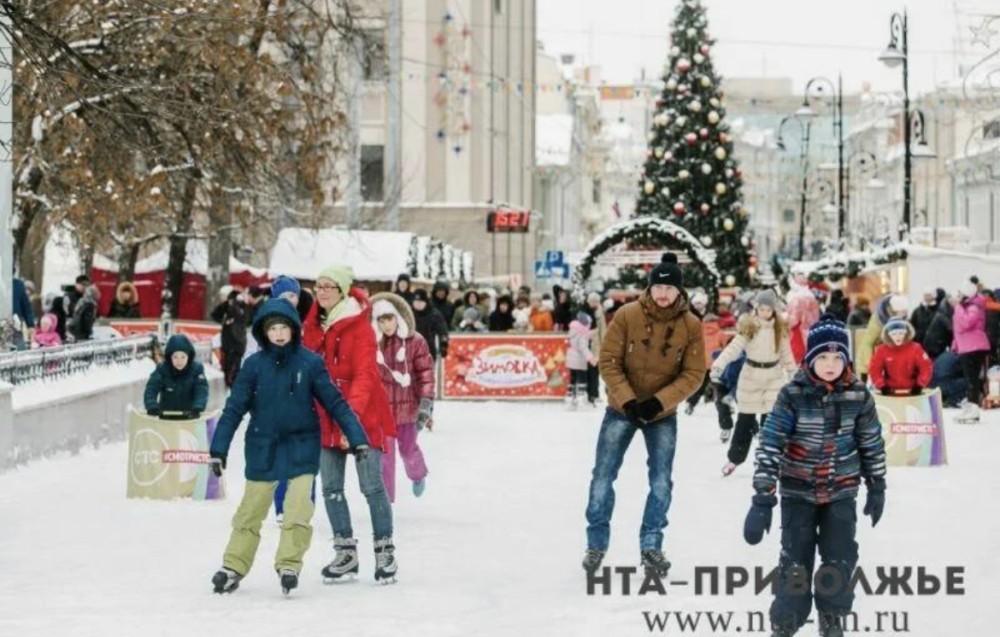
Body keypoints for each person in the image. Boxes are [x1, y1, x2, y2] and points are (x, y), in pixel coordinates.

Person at [207, 299, 370, 595]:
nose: (279, 334)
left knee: (297, 510)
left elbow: (335, 403)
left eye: (284, 328)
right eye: (273, 329)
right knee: (250, 512)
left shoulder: (309, 363)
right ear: (264, 332)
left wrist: (357, 438)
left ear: (294, 330)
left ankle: (289, 564)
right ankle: (233, 566)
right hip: (262, 445)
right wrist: (218, 449)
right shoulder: (254, 366)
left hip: (301, 445)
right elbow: (233, 409)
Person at [744, 314, 886, 637]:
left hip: (841, 492)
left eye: (838, 356)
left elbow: (871, 443)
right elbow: (771, 443)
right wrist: (762, 498)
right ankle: (785, 625)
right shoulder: (792, 395)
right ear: (810, 358)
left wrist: (877, 485)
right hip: (798, 493)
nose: (831, 364)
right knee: (795, 566)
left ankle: (832, 621)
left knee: (839, 561)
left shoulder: (859, 396)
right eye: (822, 356)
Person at [583, 253, 706, 578]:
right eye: (658, 286)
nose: (663, 294)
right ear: (649, 288)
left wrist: (657, 402)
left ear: (679, 291)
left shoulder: (691, 325)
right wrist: (627, 402)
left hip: (661, 414)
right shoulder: (626, 315)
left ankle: (651, 546)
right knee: (602, 476)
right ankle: (595, 544)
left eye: (670, 287)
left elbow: (694, 374)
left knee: (661, 481)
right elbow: (608, 360)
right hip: (621, 409)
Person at [301, 264, 398, 584]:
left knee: (372, 487)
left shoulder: (361, 328)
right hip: (324, 416)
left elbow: (364, 377)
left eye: (329, 286)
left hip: (361, 416)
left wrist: (349, 421)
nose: (322, 291)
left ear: (342, 290)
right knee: (330, 488)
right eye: (319, 286)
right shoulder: (313, 324)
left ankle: (384, 551)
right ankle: (345, 552)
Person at [710, 290, 796, 476]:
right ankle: (734, 459)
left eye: (768, 309)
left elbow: (786, 354)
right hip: (750, 377)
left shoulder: (779, 329)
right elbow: (733, 349)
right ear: (756, 308)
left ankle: (769, 459)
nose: (764, 312)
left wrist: (793, 375)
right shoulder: (749, 327)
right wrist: (718, 365)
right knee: (745, 421)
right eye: (761, 308)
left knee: (771, 423)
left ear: (774, 310)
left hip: (773, 376)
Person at [371, 293, 435, 501]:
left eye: (389, 319)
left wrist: (425, 404)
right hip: (383, 413)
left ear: (398, 317)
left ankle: (418, 474)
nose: (386, 325)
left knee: (408, 451)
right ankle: (386, 503)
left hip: (408, 411)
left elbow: (425, 374)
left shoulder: (415, 342)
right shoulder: (372, 345)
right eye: (381, 320)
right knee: (385, 459)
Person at [143, 334, 209, 419]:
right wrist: (151, 405)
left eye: (183, 357)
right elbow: (151, 388)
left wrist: (198, 406)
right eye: (175, 357)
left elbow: (201, 390)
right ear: (170, 357)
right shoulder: (162, 369)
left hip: (189, 418)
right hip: (167, 417)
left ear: (188, 357)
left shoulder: (196, 370)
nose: (179, 361)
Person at [952, 281, 990, 423]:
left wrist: (957, 307)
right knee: (969, 379)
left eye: (959, 293)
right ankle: (970, 407)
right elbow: (957, 329)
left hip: (974, 347)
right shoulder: (966, 306)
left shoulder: (973, 307)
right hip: (966, 346)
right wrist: (955, 344)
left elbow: (966, 324)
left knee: (972, 379)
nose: (957, 296)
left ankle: (973, 409)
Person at [868, 318, 932, 396]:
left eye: (901, 333)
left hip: (912, 391)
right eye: (894, 334)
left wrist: (920, 385)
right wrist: (881, 386)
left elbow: (926, 366)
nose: (898, 337)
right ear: (888, 335)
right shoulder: (881, 350)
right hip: (890, 391)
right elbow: (874, 369)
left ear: (906, 333)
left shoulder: (916, 348)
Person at [856, 293, 908, 382]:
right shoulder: (878, 320)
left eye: (904, 312)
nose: (903, 315)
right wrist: (869, 364)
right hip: (869, 357)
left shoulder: (900, 318)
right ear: (894, 309)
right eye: (901, 312)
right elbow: (868, 343)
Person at [211, 287, 248, 388]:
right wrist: (224, 321)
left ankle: (231, 386)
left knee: (232, 368)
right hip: (231, 343)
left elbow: (244, 318)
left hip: (235, 343)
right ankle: (230, 386)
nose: (221, 298)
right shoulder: (229, 305)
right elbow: (215, 315)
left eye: (223, 296)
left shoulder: (237, 306)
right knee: (228, 367)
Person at [566, 312, 596, 408]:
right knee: (582, 379)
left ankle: (570, 398)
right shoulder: (582, 334)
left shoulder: (573, 330)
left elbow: (584, 336)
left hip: (571, 358)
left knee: (573, 379)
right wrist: (591, 358)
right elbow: (583, 347)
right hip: (579, 359)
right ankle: (581, 399)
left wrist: (592, 333)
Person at [411, 288, 449, 360]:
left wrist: (443, 345)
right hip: (411, 350)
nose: (418, 304)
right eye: (416, 302)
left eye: (420, 302)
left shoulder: (434, 314)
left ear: (425, 302)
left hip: (428, 350)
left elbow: (443, 330)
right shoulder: (409, 313)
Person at [584, 292, 608, 405]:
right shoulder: (585, 312)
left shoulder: (599, 313)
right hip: (585, 345)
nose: (593, 303)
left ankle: (595, 394)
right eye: (591, 301)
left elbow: (603, 330)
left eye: (595, 301)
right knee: (589, 371)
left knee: (594, 371)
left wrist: (604, 345)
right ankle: (590, 394)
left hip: (596, 346)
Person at [12, 278, 36, 349]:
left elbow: (26, 306)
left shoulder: (18, 284)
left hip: (15, 323)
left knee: (19, 350)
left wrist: (30, 324)